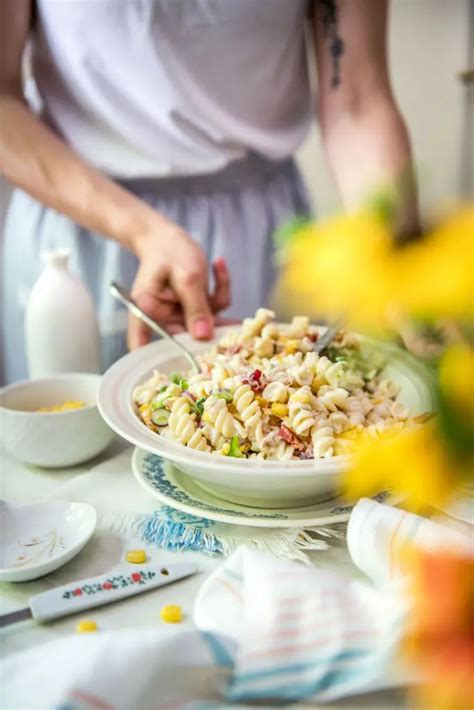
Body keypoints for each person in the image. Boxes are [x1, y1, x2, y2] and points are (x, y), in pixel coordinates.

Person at [0, 0, 418, 383]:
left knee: (282, 419)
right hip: (76, 223)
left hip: (261, 232)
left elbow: (358, 103)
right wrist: (143, 231)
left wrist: (399, 259)